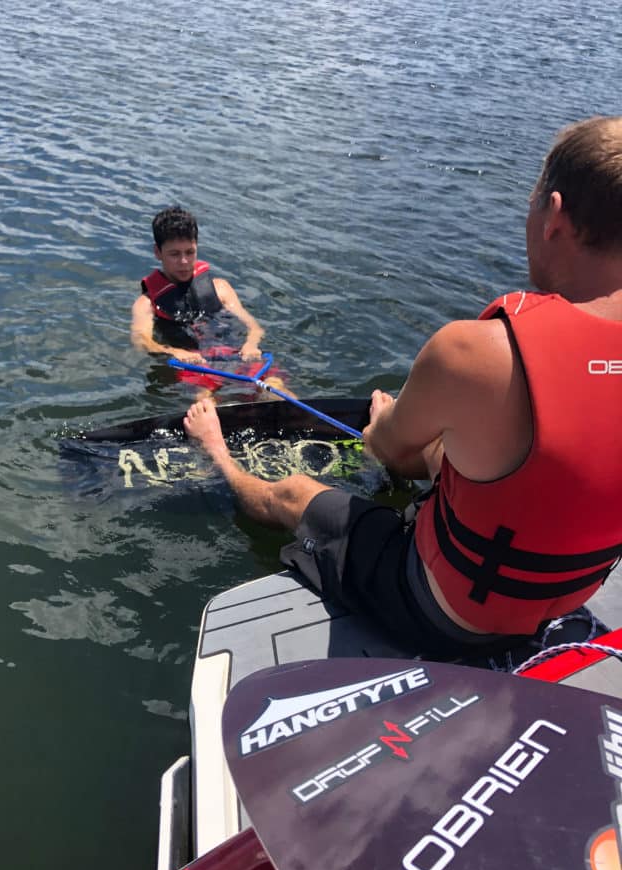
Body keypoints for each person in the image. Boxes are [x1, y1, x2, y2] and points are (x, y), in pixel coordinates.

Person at [183, 116, 622, 657]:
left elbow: (383, 447)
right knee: (452, 451)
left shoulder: (475, 351)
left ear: (553, 215)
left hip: (449, 614)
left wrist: (389, 420)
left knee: (295, 493)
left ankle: (217, 454)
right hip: (563, 596)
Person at [131, 206, 291, 398]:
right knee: (204, 398)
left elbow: (254, 327)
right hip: (195, 363)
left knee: (276, 388)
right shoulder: (146, 304)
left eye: (190, 252)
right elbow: (141, 341)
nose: (184, 261)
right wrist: (174, 352)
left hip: (236, 354)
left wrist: (251, 344)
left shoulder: (221, 288)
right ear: (158, 252)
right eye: (175, 254)